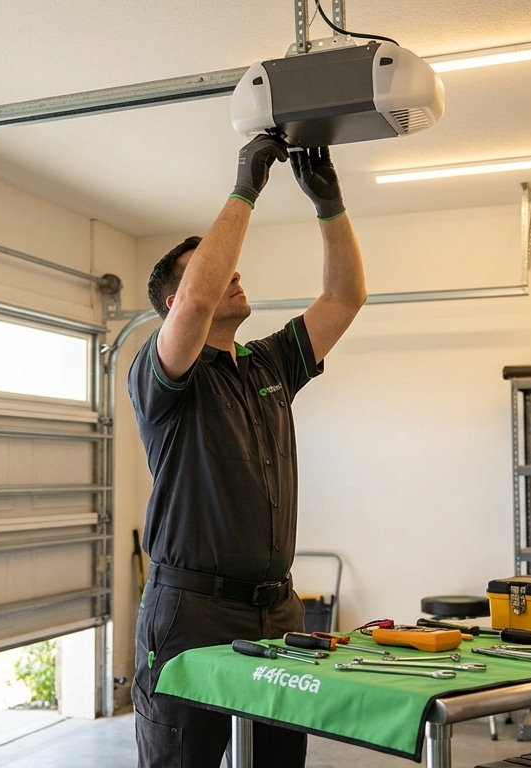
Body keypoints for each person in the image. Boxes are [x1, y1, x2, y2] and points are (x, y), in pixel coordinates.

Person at [127, 132, 367, 768]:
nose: (233, 270)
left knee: (278, 761)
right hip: (190, 616)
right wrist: (244, 188)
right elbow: (200, 298)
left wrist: (330, 207)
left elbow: (344, 299)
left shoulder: (268, 365)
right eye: (212, 264)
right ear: (173, 306)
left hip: (278, 610)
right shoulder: (164, 374)